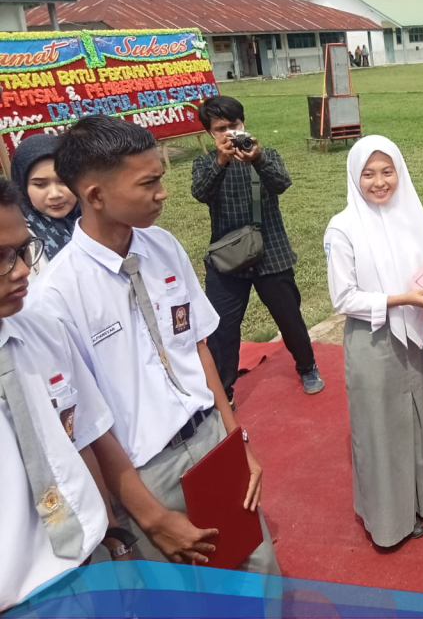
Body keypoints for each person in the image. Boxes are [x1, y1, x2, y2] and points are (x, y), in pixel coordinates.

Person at [36, 115, 281, 574]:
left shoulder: (162, 245)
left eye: (161, 179)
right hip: (144, 473)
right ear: (95, 196)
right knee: (190, 596)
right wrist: (149, 515)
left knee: (257, 568)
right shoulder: (55, 295)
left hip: (209, 440)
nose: (163, 193)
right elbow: (87, 422)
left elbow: (197, 346)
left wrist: (234, 437)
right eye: (148, 183)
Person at [325, 136, 423, 547]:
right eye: (369, 173)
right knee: (380, 428)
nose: (380, 182)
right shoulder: (343, 227)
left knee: (420, 415)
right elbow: (343, 298)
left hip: (414, 334)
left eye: (388, 171)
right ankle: (390, 521)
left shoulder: (409, 217)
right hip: (373, 338)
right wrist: (403, 299)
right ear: (354, 176)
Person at [0, 177, 114, 612]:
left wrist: (109, 535)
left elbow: (80, 435)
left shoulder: (42, 328)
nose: (24, 269)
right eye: (1, 258)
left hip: (88, 563)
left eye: (23, 250)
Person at [193, 95, 324, 401]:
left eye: (234, 125)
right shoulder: (204, 163)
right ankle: (222, 391)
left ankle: (307, 367)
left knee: (290, 318)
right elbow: (201, 193)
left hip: (272, 252)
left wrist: (258, 158)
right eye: (220, 129)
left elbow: (282, 183)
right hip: (227, 258)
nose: (229, 133)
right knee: (222, 328)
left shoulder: (266, 154)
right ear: (210, 133)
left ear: (243, 123)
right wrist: (221, 162)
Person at [10, 133, 80, 280]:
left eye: (64, 181)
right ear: (22, 186)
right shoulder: (15, 236)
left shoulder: (97, 219)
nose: (55, 194)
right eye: (40, 185)